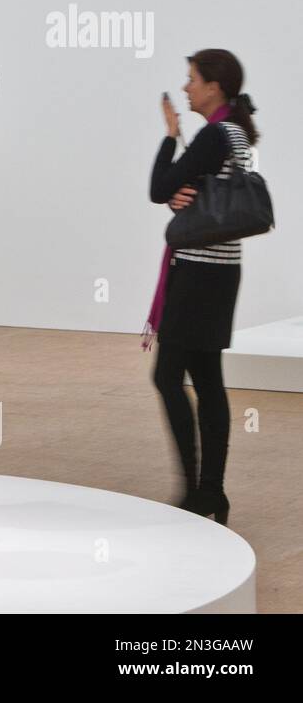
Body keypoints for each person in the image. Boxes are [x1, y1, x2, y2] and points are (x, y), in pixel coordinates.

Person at [147, 48, 259, 526]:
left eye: (192, 79)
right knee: (206, 378)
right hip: (220, 272)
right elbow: (175, 191)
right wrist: (179, 192)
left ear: (214, 86)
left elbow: (158, 187)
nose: (187, 87)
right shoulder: (235, 133)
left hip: (197, 274)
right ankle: (209, 492)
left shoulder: (215, 136)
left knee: (169, 376)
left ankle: (197, 490)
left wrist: (171, 136)